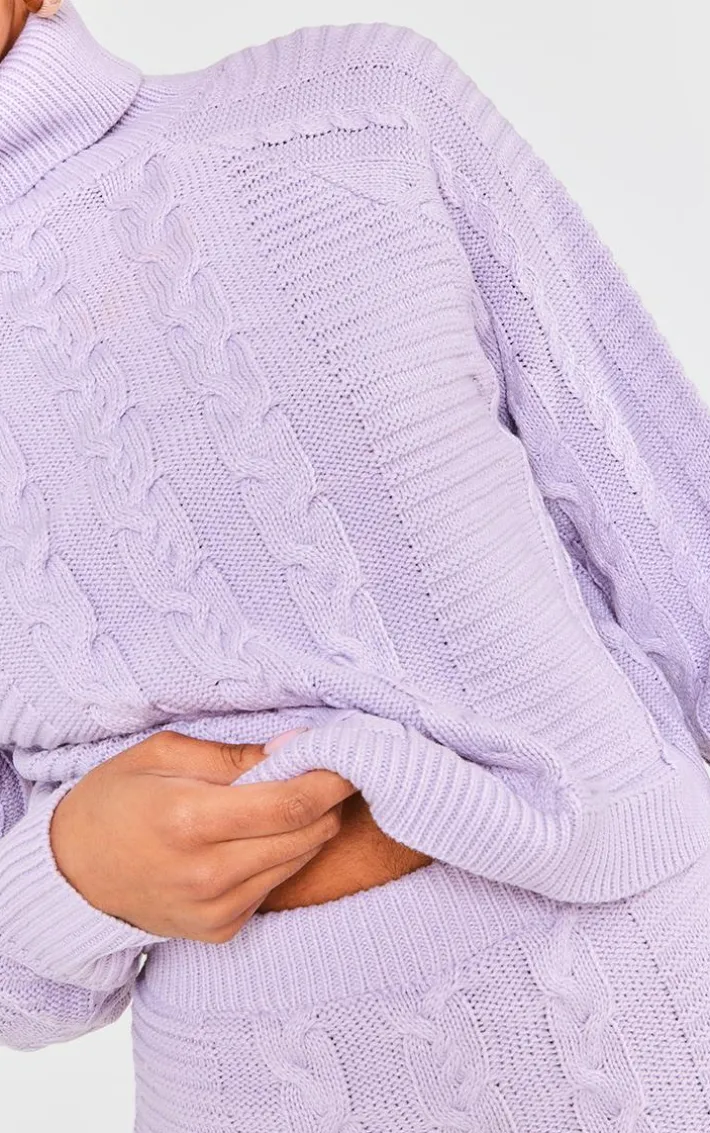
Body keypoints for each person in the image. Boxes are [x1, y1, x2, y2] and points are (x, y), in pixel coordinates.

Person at [2, 2, 710, 1130]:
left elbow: (675, 538)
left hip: (645, 1018)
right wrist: (68, 871)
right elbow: (18, 993)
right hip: (244, 1089)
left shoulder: (353, 110)